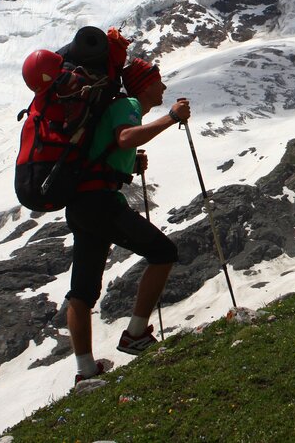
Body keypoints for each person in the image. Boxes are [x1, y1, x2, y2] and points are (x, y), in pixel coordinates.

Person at [65, 57, 189, 384]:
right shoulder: (129, 103)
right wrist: (171, 117)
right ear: (144, 84)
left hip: (80, 204)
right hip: (101, 202)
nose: (162, 86)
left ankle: (85, 370)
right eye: (158, 80)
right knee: (163, 252)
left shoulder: (117, 106)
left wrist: (130, 164)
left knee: (81, 291)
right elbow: (124, 138)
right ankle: (135, 334)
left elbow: (110, 149)